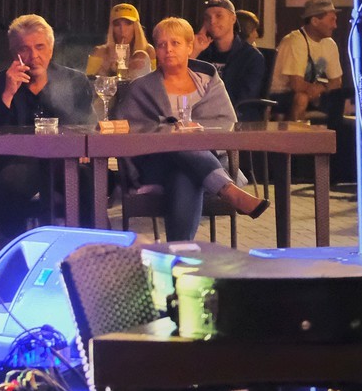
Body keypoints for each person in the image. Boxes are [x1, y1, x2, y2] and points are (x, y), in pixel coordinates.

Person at [114, 17, 267, 240]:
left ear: (189, 47)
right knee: (177, 139)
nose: (168, 49)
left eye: (175, 43)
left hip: (208, 159)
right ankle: (228, 190)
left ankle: (178, 251)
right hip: (155, 163)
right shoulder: (141, 87)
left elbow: (226, 123)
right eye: (162, 44)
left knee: (184, 174)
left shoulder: (209, 83)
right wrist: (169, 132)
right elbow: (129, 131)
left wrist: (197, 131)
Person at [0, 14, 95, 237]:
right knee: (9, 183)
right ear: (13, 53)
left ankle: (88, 245)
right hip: (19, 161)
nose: (34, 56)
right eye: (24, 49)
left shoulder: (75, 81)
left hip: (64, 160)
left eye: (40, 47)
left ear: (51, 49)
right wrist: (8, 94)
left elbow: (87, 124)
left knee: (85, 178)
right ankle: (14, 245)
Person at [271, 0, 344, 122]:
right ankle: (294, 134)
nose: (335, 26)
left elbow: (337, 82)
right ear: (315, 21)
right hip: (278, 95)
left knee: (340, 101)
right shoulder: (295, 41)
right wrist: (320, 89)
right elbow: (296, 85)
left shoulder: (330, 44)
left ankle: (337, 133)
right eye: (331, 20)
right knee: (301, 98)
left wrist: (321, 89)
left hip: (310, 92)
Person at [191, 0, 266, 112]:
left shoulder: (251, 57)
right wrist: (194, 51)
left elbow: (244, 99)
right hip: (203, 114)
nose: (212, 21)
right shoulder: (203, 53)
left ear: (233, 19)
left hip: (235, 116)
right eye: (207, 17)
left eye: (219, 16)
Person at [85, 3, 154, 80]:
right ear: (112, 28)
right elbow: (87, 83)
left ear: (136, 27)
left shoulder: (149, 51)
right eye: (117, 24)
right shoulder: (99, 52)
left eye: (128, 24)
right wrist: (107, 69)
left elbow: (156, 82)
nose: (122, 30)